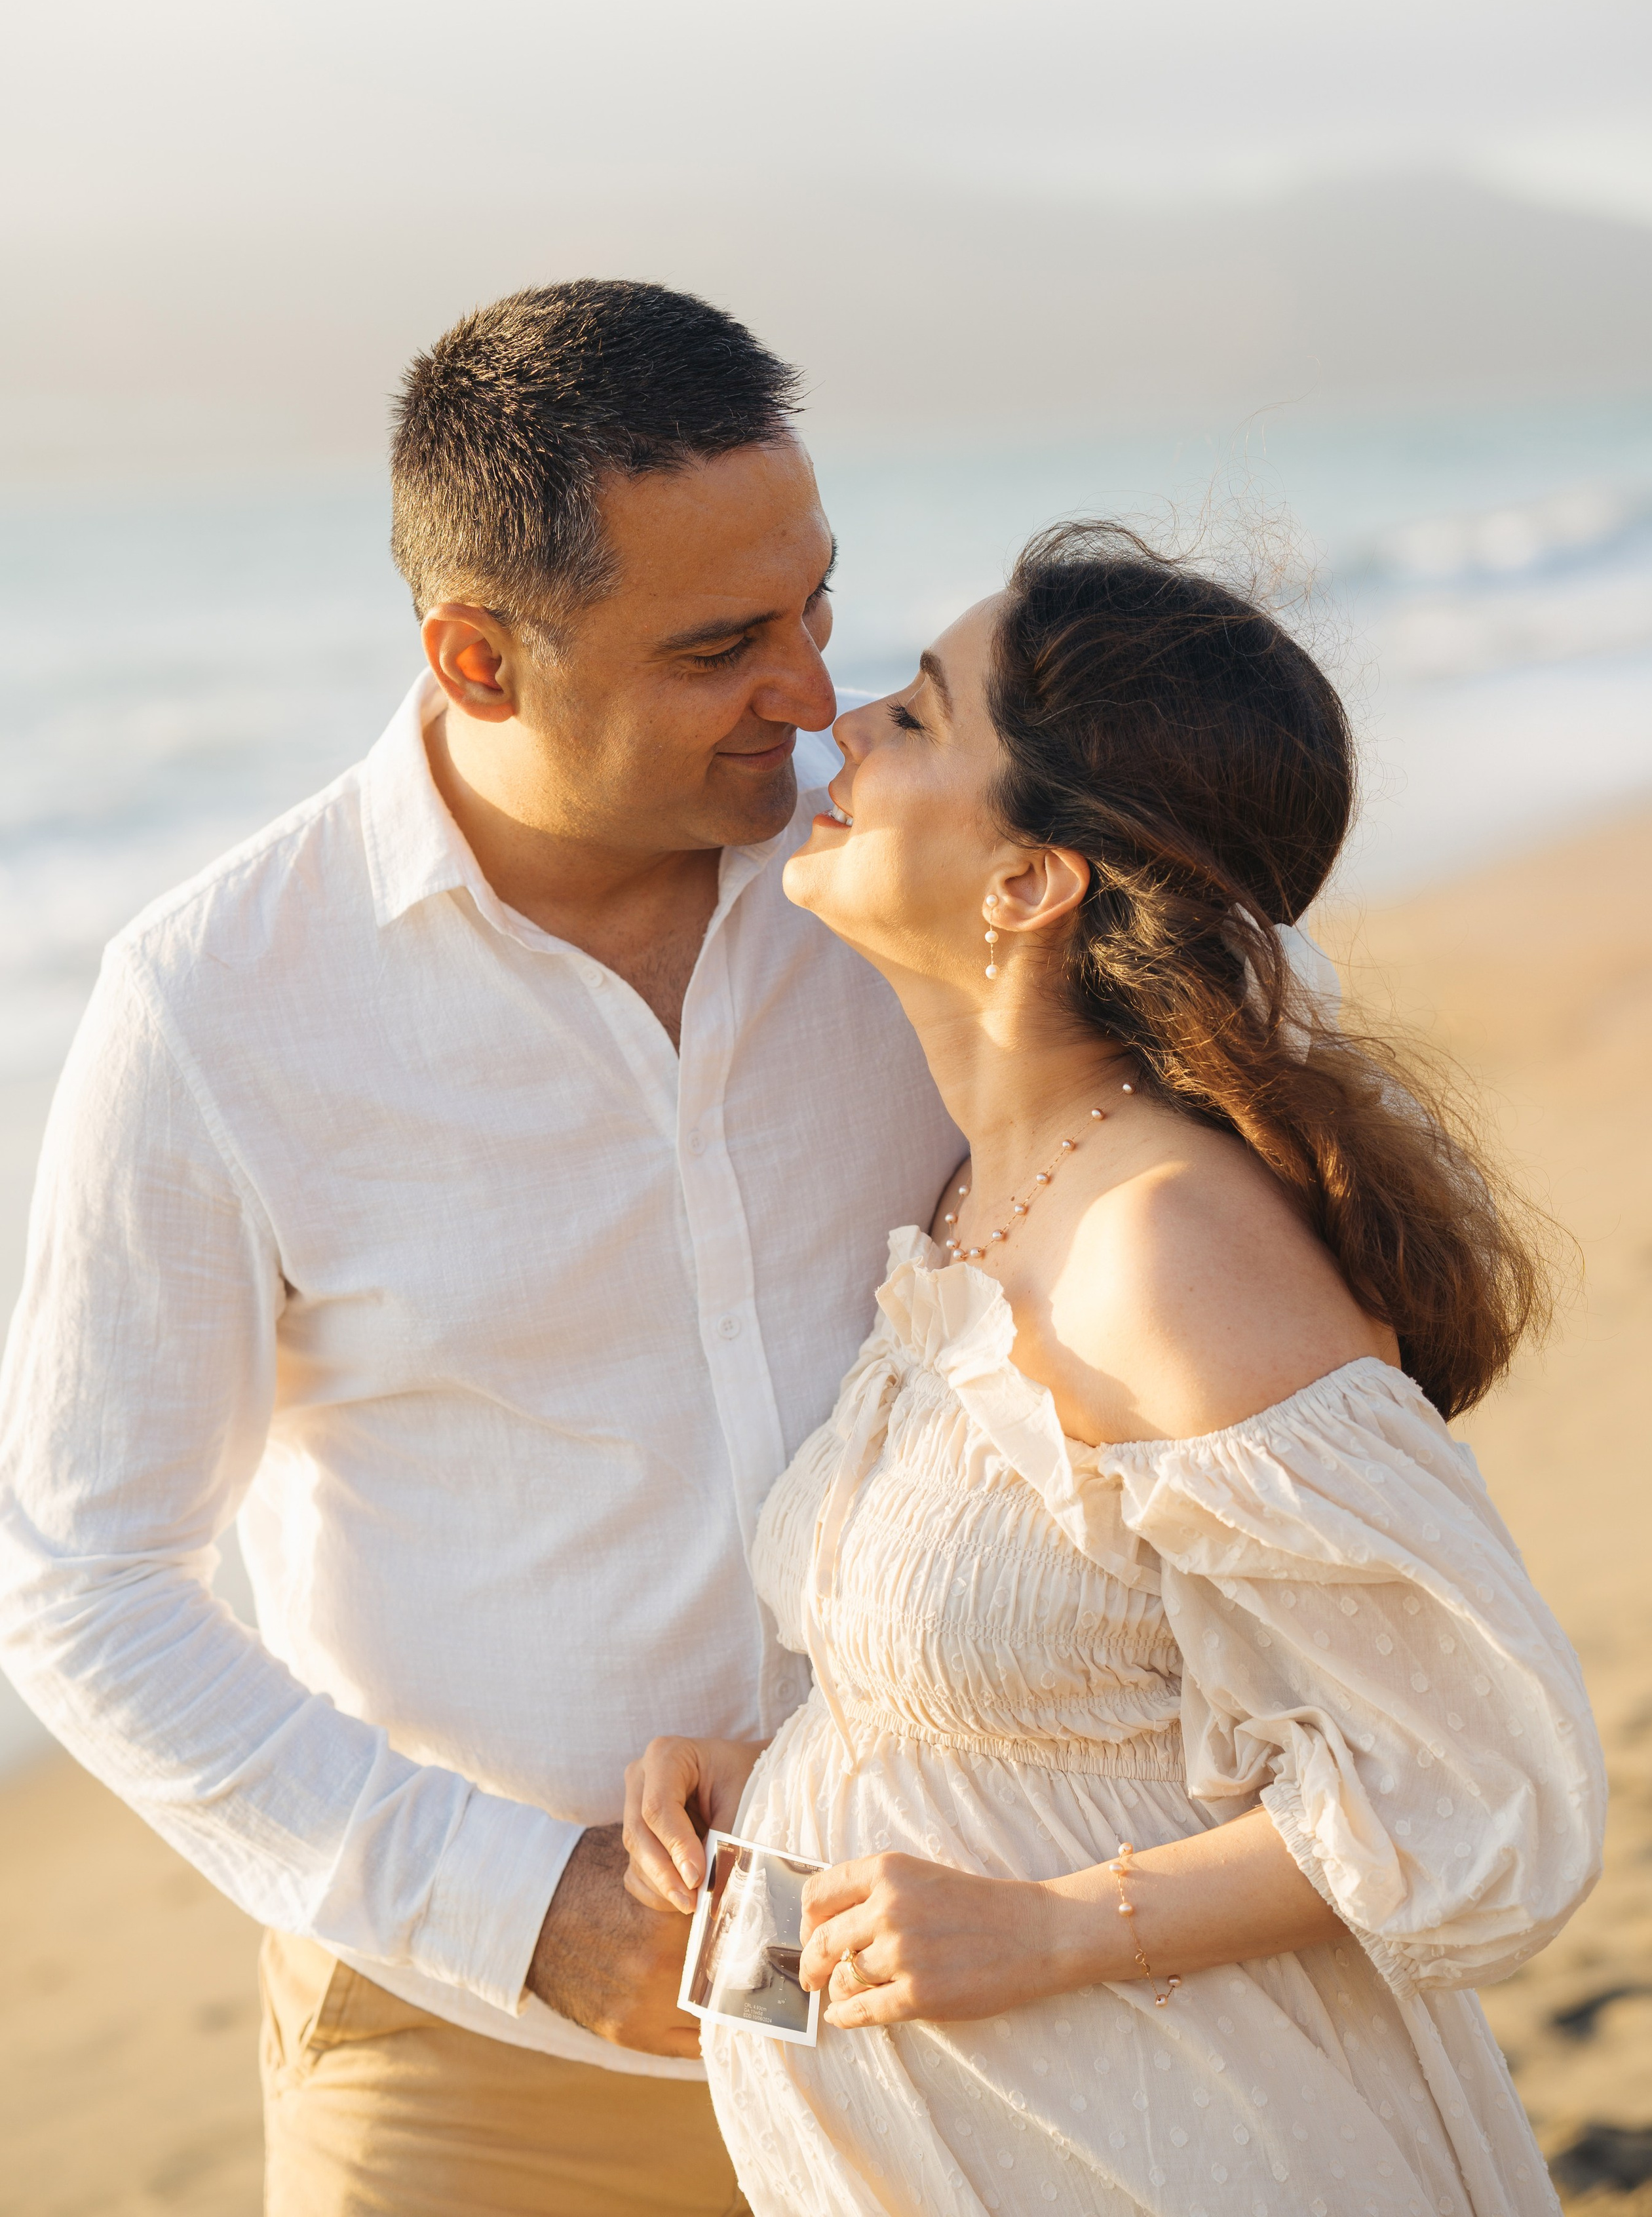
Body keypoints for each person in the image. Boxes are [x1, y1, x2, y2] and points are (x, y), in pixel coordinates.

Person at [0, 280, 960, 2216]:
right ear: (477, 657)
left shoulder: (923, 846)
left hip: (965, 1970)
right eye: (718, 647)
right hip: (477, 2060)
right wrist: (525, 1916)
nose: (808, 691)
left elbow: (1271, 1129)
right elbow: (84, 1582)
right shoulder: (218, 1004)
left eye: (816, 607)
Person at [624, 526, 1605, 2217]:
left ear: (1029, 881)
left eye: (921, 719)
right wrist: (789, 1752)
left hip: (1179, 2139)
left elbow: (1483, 1781)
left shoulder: (1166, 1246)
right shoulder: (978, 1195)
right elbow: (1095, 1682)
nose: (845, 725)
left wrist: (1058, 1927)